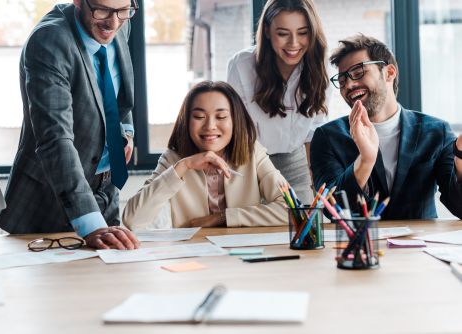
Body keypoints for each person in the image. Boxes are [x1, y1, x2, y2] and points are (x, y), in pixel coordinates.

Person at [0, 0, 141, 250]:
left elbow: (114, 87)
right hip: (50, 202)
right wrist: (91, 224)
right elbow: (55, 139)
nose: (113, 22)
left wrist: (124, 132)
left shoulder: (119, 24)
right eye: (102, 10)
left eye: (123, 11)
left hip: (105, 190)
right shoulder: (49, 42)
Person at [310, 34, 462, 219]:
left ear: (389, 73)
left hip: (420, 245)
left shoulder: (436, 131)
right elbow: (332, 209)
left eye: (358, 73)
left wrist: (460, 156)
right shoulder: (327, 137)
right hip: (361, 244)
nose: (349, 85)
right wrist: (365, 160)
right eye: (342, 81)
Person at [122, 81, 287, 230]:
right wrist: (183, 166)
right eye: (199, 117)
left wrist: (222, 218)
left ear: (235, 120)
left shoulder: (253, 153)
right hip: (192, 257)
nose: (210, 126)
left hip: (243, 256)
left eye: (221, 117)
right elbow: (133, 220)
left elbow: (292, 210)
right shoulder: (173, 159)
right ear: (186, 121)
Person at [227, 0, 329, 205]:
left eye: (303, 33)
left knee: (302, 229)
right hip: (250, 163)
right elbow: (236, 129)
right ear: (266, 31)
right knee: (251, 230)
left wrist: (316, 181)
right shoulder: (241, 65)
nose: (294, 43)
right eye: (283, 33)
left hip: (296, 163)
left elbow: (314, 131)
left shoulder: (319, 65)